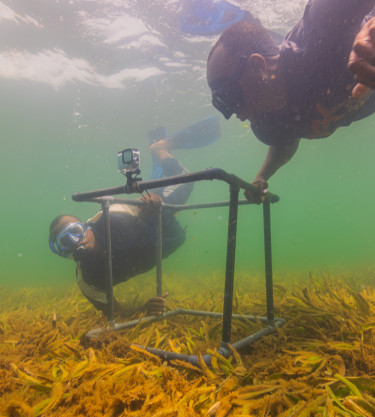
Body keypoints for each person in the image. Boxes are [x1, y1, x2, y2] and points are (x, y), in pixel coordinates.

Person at [206, 0, 375, 203]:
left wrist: (371, 24)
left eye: (229, 97)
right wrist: (262, 176)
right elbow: (285, 140)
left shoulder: (322, 25)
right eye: (222, 105)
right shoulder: (265, 125)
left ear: (257, 65)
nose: (233, 113)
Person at [49, 138, 194, 317]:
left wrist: (154, 206)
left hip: (159, 220)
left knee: (185, 179)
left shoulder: (114, 216)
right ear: (62, 252)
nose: (75, 241)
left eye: (76, 232)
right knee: (179, 236)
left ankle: (160, 149)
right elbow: (115, 313)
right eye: (65, 241)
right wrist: (142, 310)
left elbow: (142, 204)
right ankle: (157, 174)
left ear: (85, 227)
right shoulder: (87, 280)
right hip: (168, 241)